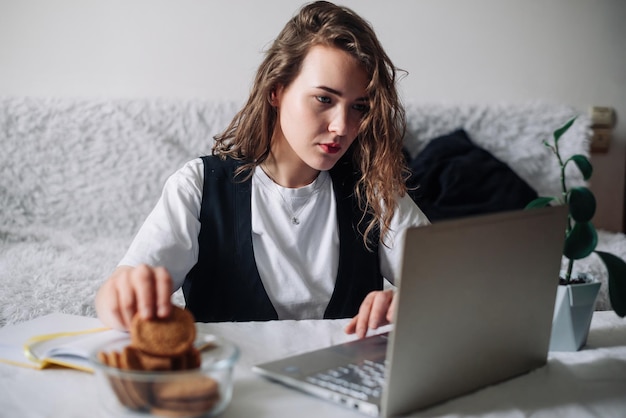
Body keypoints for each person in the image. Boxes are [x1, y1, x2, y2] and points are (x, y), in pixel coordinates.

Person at [95, 0, 429, 339]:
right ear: (276, 91)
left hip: (344, 391)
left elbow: (457, 289)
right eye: (324, 100)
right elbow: (119, 293)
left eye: (359, 107)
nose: (343, 126)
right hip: (232, 387)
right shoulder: (199, 186)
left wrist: (410, 304)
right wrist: (121, 295)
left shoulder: (373, 190)